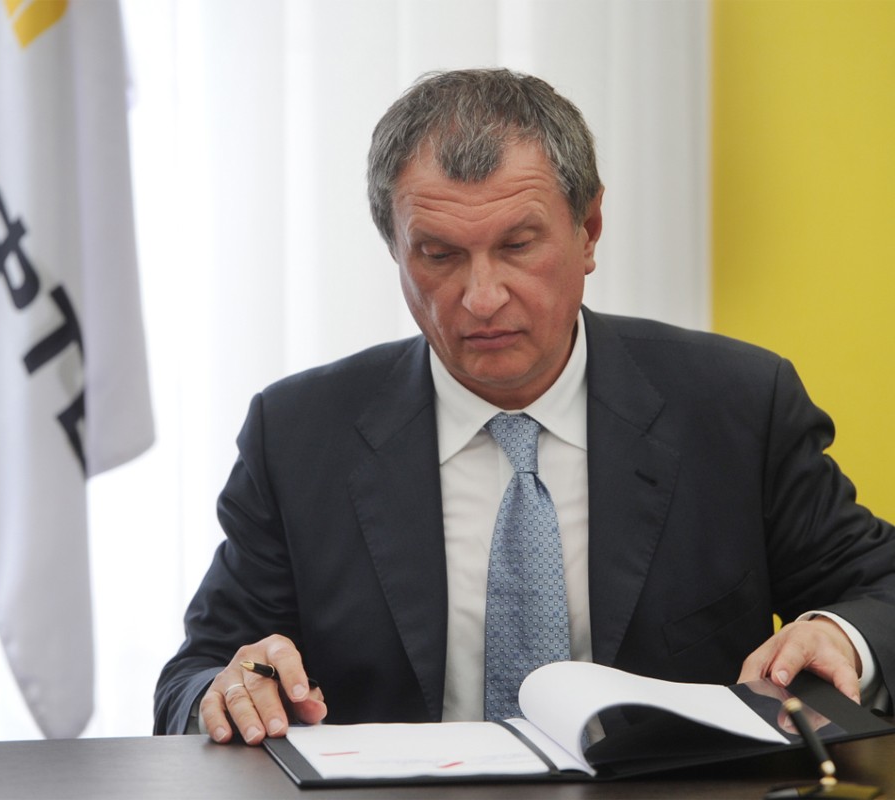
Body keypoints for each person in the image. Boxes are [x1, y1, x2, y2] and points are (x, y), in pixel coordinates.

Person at [153, 68, 895, 745]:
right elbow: (196, 676)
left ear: (588, 232)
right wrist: (231, 690)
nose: (481, 298)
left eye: (517, 245)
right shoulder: (299, 435)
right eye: (439, 255)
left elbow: (880, 588)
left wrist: (840, 634)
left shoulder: (734, 407)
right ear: (396, 252)